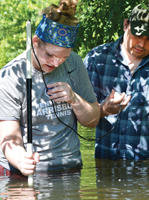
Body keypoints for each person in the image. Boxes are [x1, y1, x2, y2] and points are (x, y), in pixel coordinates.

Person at [0, 0, 100, 176]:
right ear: (35, 42)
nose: (55, 63)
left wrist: (74, 99)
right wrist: (21, 159)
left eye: (63, 57)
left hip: (70, 168)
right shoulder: (10, 76)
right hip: (22, 172)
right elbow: (9, 136)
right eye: (50, 55)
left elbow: (92, 121)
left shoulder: (74, 63)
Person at [84, 4, 149, 160]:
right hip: (108, 161)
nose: (142, 44)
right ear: (125, 25)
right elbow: (84, 116)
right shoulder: (97, 58)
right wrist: (104, 109)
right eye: (138, 35)